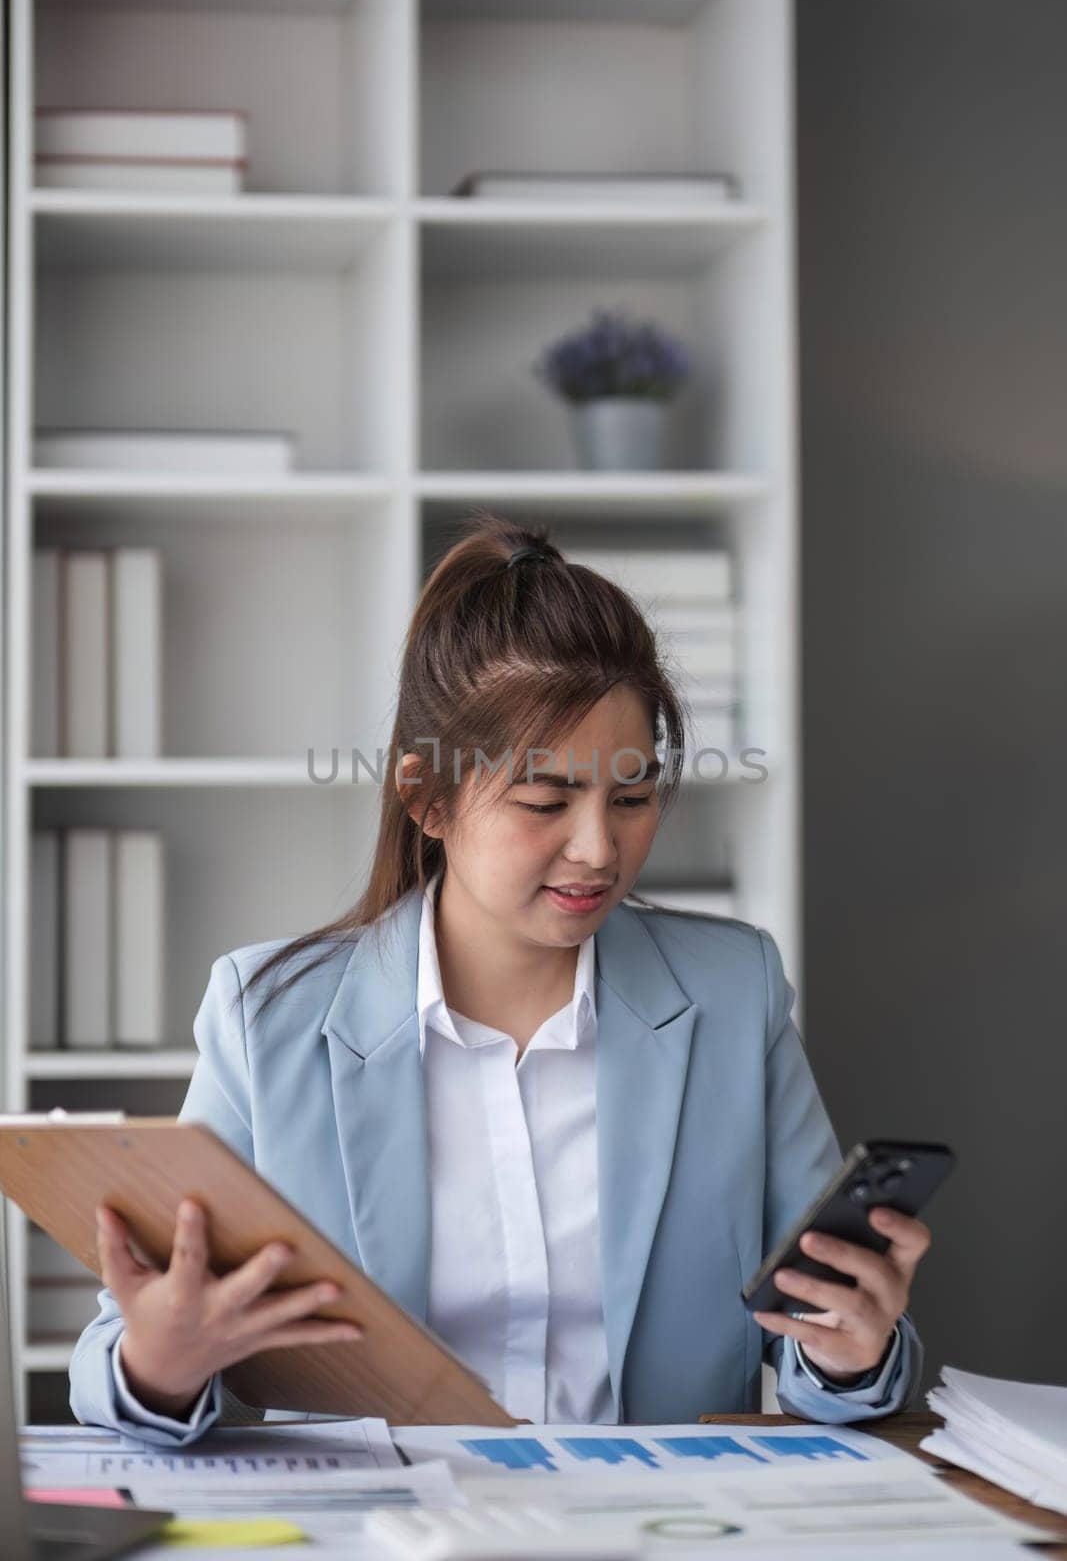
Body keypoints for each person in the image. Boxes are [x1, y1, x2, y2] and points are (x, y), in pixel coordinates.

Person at [69, 514, 929, 1447]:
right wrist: (160, 1361)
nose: (599, 849)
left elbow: (824, 1362)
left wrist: (852, 1352)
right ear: (426, 797)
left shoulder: (733, 993)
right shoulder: (267, 1016)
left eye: (633, 798)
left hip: (653, 1525)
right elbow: (119, 1350)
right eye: (544, 801)